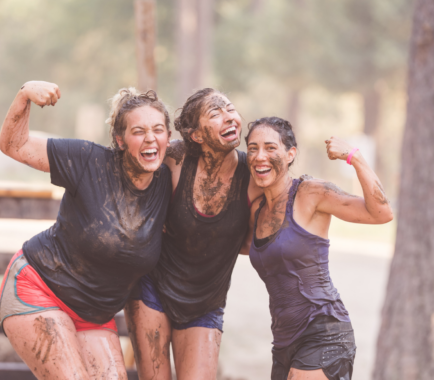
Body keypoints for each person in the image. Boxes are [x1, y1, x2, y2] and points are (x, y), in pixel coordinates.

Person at [0, 81, 173, 380]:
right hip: (39, 288)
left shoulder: (168, 182)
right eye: (138, 131)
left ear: (169, 136)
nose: (150, 139)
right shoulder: (88, 161)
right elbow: (13, 145)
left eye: (158, 129)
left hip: (94, 315)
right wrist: (25, 94)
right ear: (119, 139)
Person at [125, 88, 263, 380]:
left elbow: (252, 243)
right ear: (197, 134)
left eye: (230, 109)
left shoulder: (252, 177)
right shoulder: (175, 157)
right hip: (153, 288)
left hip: (206, 302)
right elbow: (130, 170)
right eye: (215, 113)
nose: (229, 118)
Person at [244, 117, 393, 380]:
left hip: (323, 331)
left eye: (270, 147)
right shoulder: (257, 211)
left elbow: (381, 212)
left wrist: (354, 157)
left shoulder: (310, 193)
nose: (259, 156)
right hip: (283, 342)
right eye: (253, 148)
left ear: (291, 154)